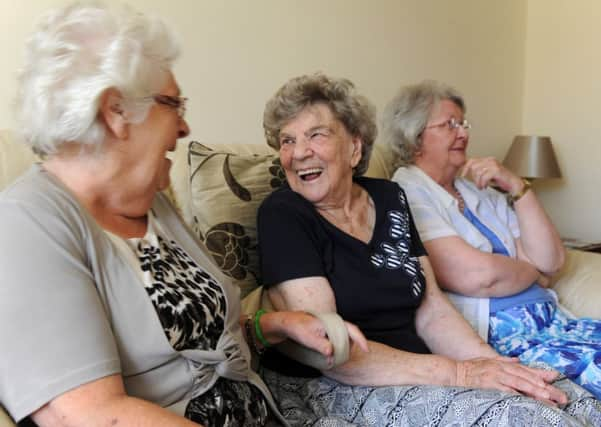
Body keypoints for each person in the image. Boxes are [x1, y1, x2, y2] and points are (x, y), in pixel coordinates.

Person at [0, 4, 367, 426]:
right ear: (115, 111)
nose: (184, 128)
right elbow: (91, 416)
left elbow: (202, 339)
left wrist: (279, 324)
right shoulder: (27, 226)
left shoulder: (152, 206)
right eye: (174, 103)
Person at [257, 73, 601, 426]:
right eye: (287, 140)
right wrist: (462, 374)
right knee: (533, 419)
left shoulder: (389, 198)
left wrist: (493, 364)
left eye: (316, 135)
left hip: (421, 368)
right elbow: (330, 349)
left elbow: (431, 307)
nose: (299, 153)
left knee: (565, 396)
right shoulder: (284, 214)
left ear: (354, 148)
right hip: (340, 384)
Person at [385, 79, 601, 400]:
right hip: (505, 334)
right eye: (450, 124)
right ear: (416, 138)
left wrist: (517, 186)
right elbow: (478, 277)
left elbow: (552, 260)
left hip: (552, 320)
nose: (464, 133)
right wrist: (533, 272)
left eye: (463, 123)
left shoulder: (476, 189)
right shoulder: (406, 191)